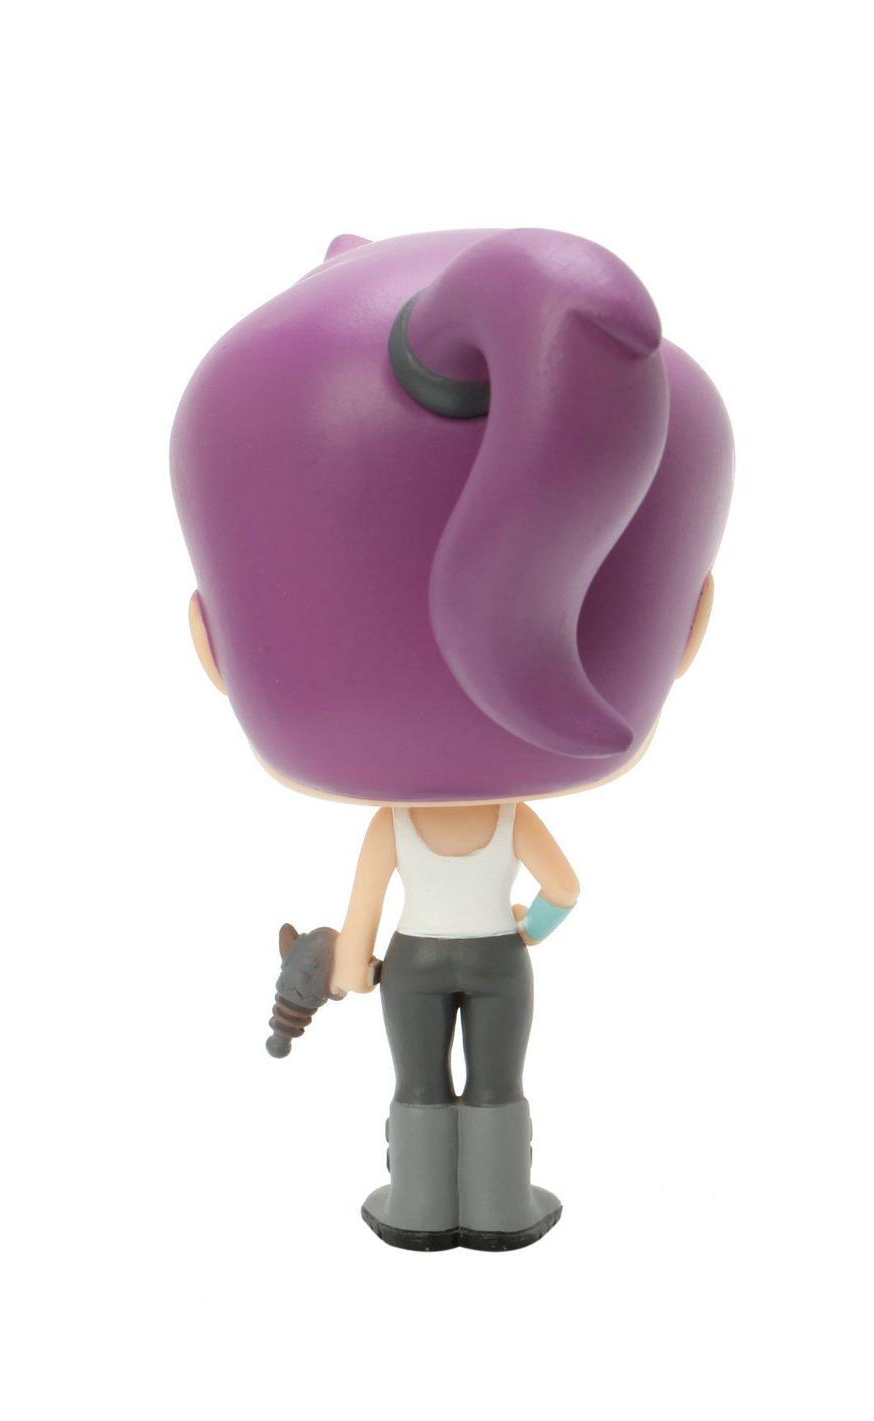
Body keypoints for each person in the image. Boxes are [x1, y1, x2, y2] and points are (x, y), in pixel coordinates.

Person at [171, 226, 733, 1250]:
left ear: (212, 647)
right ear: (691, 627)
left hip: (417, 962)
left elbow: (360, 928)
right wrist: (530, 929)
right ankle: (503, 1204)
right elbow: (563, 890)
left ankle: (420, 1206)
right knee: (498, 1081)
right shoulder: (517, 825)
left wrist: (345, 971)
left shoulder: (390, 828)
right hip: (500, 962)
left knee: (418, 1083)